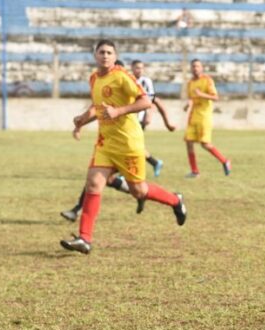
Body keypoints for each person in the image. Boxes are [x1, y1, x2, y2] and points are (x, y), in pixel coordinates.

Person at [60, 40, 187, 254]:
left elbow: (146, 101)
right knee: (93, 184)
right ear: (95, 55)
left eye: (110, 52)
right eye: (102, 52)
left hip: (128, 144)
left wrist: (119, 111)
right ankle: (84, 239)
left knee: (139, 191)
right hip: (105, 143)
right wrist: (82, 120)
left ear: (115, 55)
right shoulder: (94, 78)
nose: (105, 56)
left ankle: (175, 200)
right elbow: (97, 108)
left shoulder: (122, 76)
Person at [61, 59, 173, 222]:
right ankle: (80, 216)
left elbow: (153, 101)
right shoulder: (103, 82)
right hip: (111, 139)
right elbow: (99, 111)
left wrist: (167, 122)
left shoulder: (133, 82)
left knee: (107, 179)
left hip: (131, 133)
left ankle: (153, 186)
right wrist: (81, 124)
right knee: (101, 178)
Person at [183, 59, 231, 178]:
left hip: (204, 117)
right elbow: (191, 98)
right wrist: (188, 104)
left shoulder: (207, 80)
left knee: (205, 144)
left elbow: (215, 97)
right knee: (188, 142)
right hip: (193, 116)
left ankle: (225, 161)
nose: (195, 68)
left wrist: (201, 95)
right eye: (193, 66)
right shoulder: (190, 83)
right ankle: (195, 171)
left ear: (202, 67)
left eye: (197, 66)